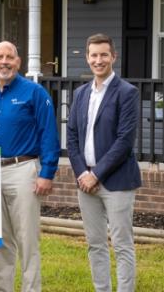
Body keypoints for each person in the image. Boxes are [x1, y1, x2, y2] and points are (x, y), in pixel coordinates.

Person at [0, 41, 60, 292]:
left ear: (18, 62)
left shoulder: (35, 93)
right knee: (0, 240)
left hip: (23, 170)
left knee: (28, 239)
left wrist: (47, 172)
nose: (4, 61)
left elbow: (48, 134)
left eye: (10, 57)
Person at [67, 33, 141, 292]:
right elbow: (72, 135)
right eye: (94, 55)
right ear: (87, 58)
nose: (99, 60)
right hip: (84, 182)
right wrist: (81, 173)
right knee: (95, 244)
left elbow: (124, 141)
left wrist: (95, 174)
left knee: (122, 245)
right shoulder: (80, 94)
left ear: (113, 57)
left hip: (117, 181)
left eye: (104, 55)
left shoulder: (127, 93)